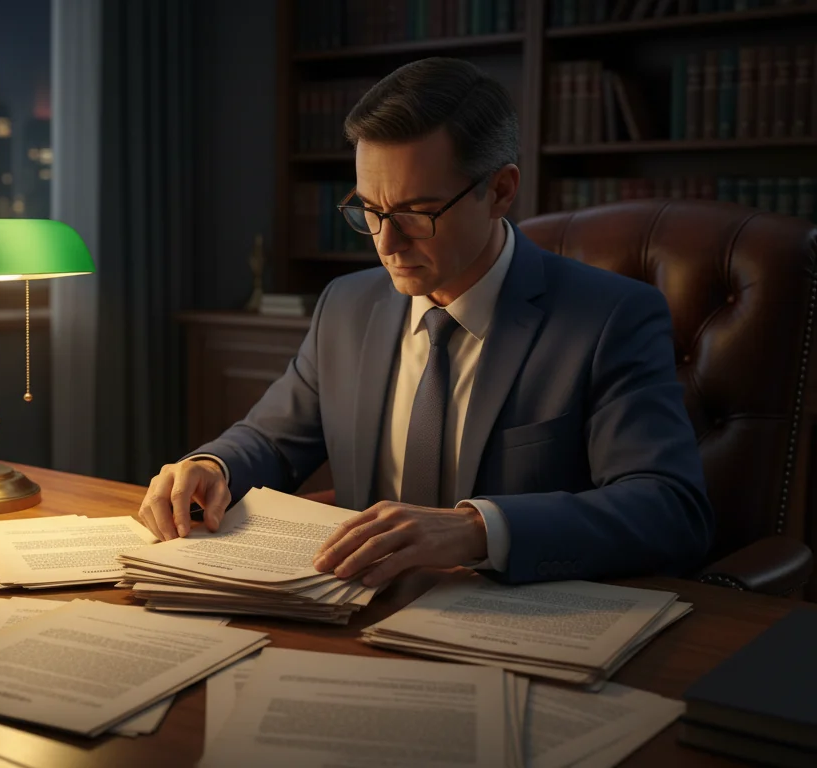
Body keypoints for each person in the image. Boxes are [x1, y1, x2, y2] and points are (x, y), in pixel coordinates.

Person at [136, 57, 713, 587]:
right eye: (369, 209)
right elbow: (272, 441)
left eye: (415, 212)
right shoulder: (347, 305)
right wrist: (209, 465)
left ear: (500, 191)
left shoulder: (610, 318)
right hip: (352, 615)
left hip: (515, 630)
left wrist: (476, 528)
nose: (386, 243)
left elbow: (670, 509)